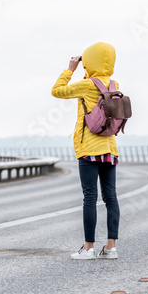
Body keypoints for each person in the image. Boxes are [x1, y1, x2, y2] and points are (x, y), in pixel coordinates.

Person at [51, 42, 120, 260]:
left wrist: (70, 68)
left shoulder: (87, 84)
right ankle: (111, 248)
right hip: (109, 147)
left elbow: (57, 91)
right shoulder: (114, 84)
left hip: (89, 147)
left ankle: (88, 249)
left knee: (90, 197)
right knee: (111, 196)